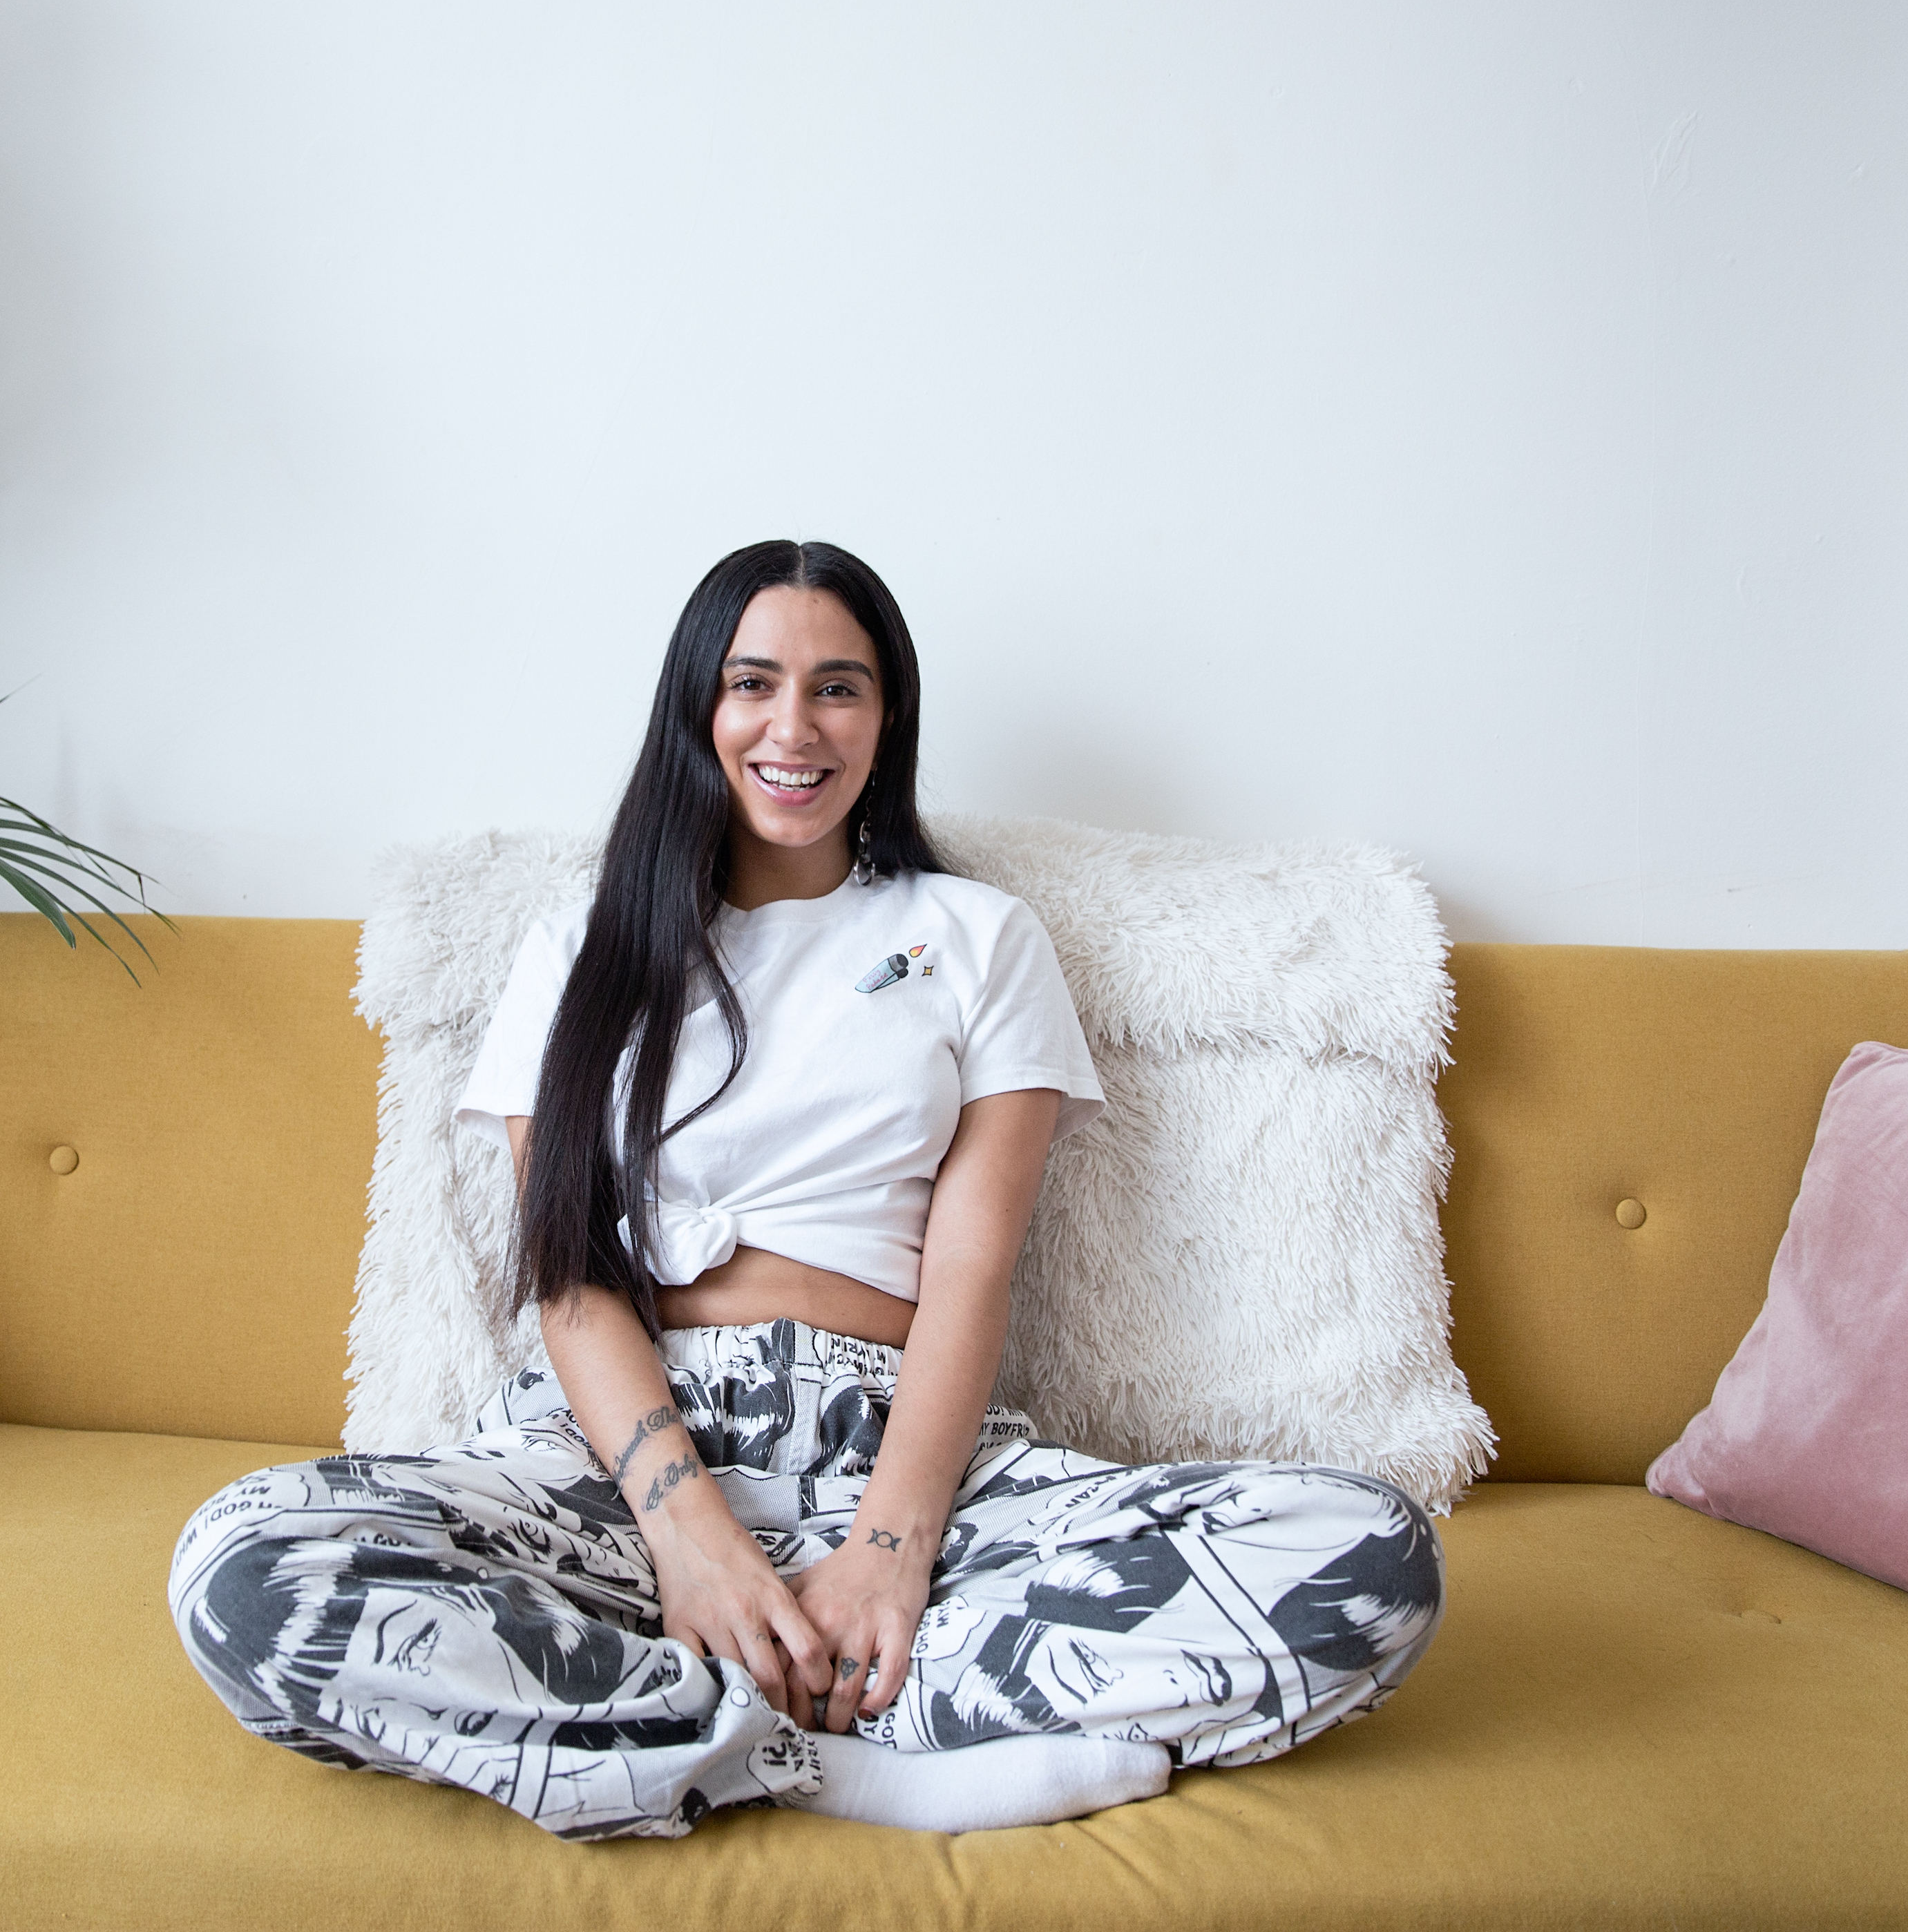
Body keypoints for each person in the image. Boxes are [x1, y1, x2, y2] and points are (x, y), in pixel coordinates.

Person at [169, 540, 1442, 1840]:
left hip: (891, 1445)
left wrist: (891, 1552)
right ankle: (846, 1765)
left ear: (888, 722)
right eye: (752, 683)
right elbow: (575, 1280)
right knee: (244, 1564)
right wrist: (689, 1537)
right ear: (696, 710)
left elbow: (972, 1269)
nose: (794, 727)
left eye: (840, 688)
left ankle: (711, 1704)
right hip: (609, 1461)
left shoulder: (977, 938)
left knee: (1367, 1554)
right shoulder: (578, 951)